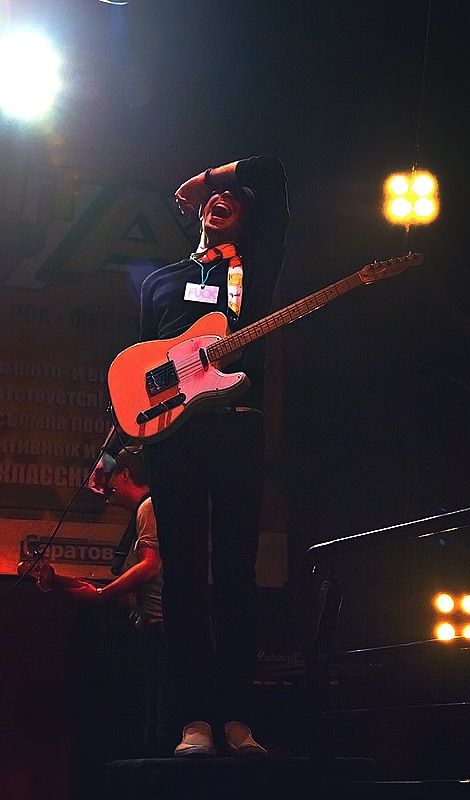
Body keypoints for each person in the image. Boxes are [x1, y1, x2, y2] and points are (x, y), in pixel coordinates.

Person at [140, 155, 289, 757]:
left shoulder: (255, 268)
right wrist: (116, 447)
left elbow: (271, 171)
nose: (223, 201)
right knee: (181, 577)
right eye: (214, 199)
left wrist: (205, 179)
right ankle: (192, 720)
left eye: (235, 199)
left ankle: (236, 717)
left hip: (236, 427)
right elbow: (139, 372)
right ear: (197, 217)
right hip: (173, 439)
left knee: (234, 573)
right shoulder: (159, 282)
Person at [61, 447, 174, 757]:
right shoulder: (144, 510)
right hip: (156, 629)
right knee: (155, 722)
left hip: (163, 629)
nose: (105, 487)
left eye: (110, 478)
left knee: (160, 727)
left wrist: (101, 595)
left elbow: (150, 567)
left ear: (125, 474)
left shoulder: (147, 506)